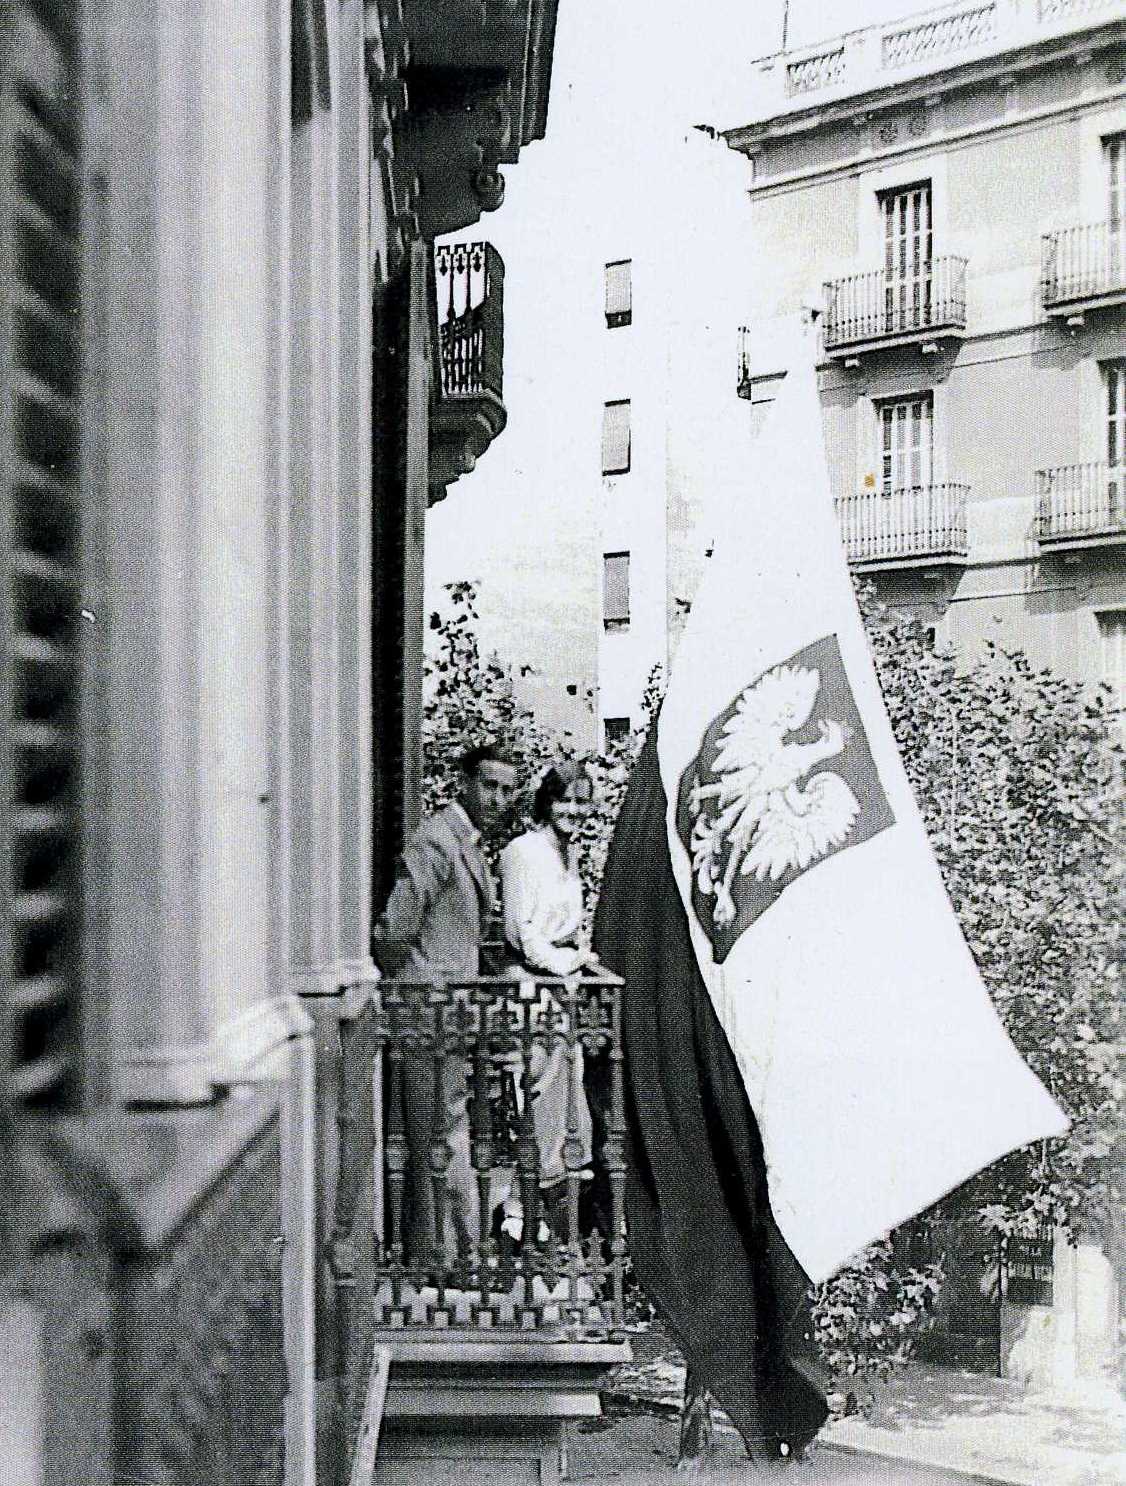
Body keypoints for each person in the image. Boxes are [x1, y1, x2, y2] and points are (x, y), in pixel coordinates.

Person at [371, 743, 517, 1264]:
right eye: (488, 786)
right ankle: (445, 1261)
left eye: (506, 788)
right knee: (437, 1140)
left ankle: (442, 1255)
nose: (498, 798)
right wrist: (425, 985)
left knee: (444, 1136)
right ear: (465, 784)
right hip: (427, 1011)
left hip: (450, 1014)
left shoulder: (469, 844)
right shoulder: (437, 841)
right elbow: (392, 934)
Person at [497, 760, 596, 1235]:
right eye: (565, 800)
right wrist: (567, 964)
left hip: (560, 986)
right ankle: (519, 1206)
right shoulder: (524, 851)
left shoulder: (567, 854)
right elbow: (523, 931)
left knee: (562, 1094)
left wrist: (577, 956)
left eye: (581, 801)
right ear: (546, 801)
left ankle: (536, 1206)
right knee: (538, 1090)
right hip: (532, 984)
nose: (573, 810)